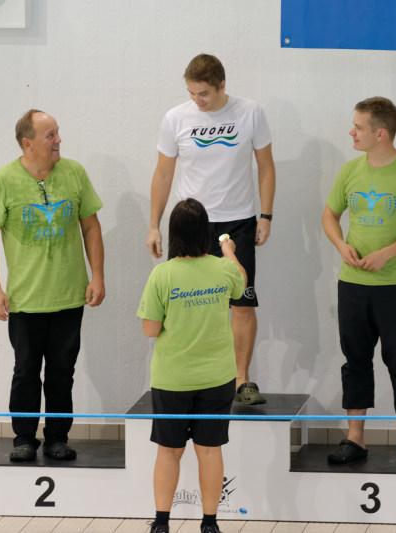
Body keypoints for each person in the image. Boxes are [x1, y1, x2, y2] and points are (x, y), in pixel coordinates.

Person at [146, 53, 275, 405]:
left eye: (203, 93)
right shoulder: (175, 118)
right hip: (191, 221)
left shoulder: (250, 112)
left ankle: (241, 380)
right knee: (183, 302)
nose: (197, 100)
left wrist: (266, 216)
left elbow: (265, 166)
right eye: (191, 93)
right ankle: (189, 376)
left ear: (221, 86)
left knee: (242, 303)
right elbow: (163, 174)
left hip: (237, 219)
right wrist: (154, 225)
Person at [0, 109, 105, 462]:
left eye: (57, 133)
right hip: (25, 300)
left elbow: (91, 227)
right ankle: (23, 437)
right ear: (27, 143)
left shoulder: (74, 173)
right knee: (26, 372)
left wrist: (97, 275)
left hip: (69, 296)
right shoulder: (2, 181)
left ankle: (57, 438)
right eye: (50, 135)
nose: (58, 140)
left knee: (62, 373)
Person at [322, 97, 396, 468]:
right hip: (352, 285)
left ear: (381, 133)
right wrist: (341, 245)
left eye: (358, 127)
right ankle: (355, 437)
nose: (351, 132)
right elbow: (329, 215)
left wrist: (388, 253)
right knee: (355, 359)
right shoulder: (350, 171)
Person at [138, 198, 246, 533]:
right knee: (210, 452)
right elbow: (241, 282)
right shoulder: (224, 269)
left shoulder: (162, 275)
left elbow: (150, 329)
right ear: (205, 232)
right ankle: (210, 523)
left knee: (168, 452)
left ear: (173, 234)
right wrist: (228, 250)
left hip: (172, 379)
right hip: (217, 378)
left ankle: (161, 523)